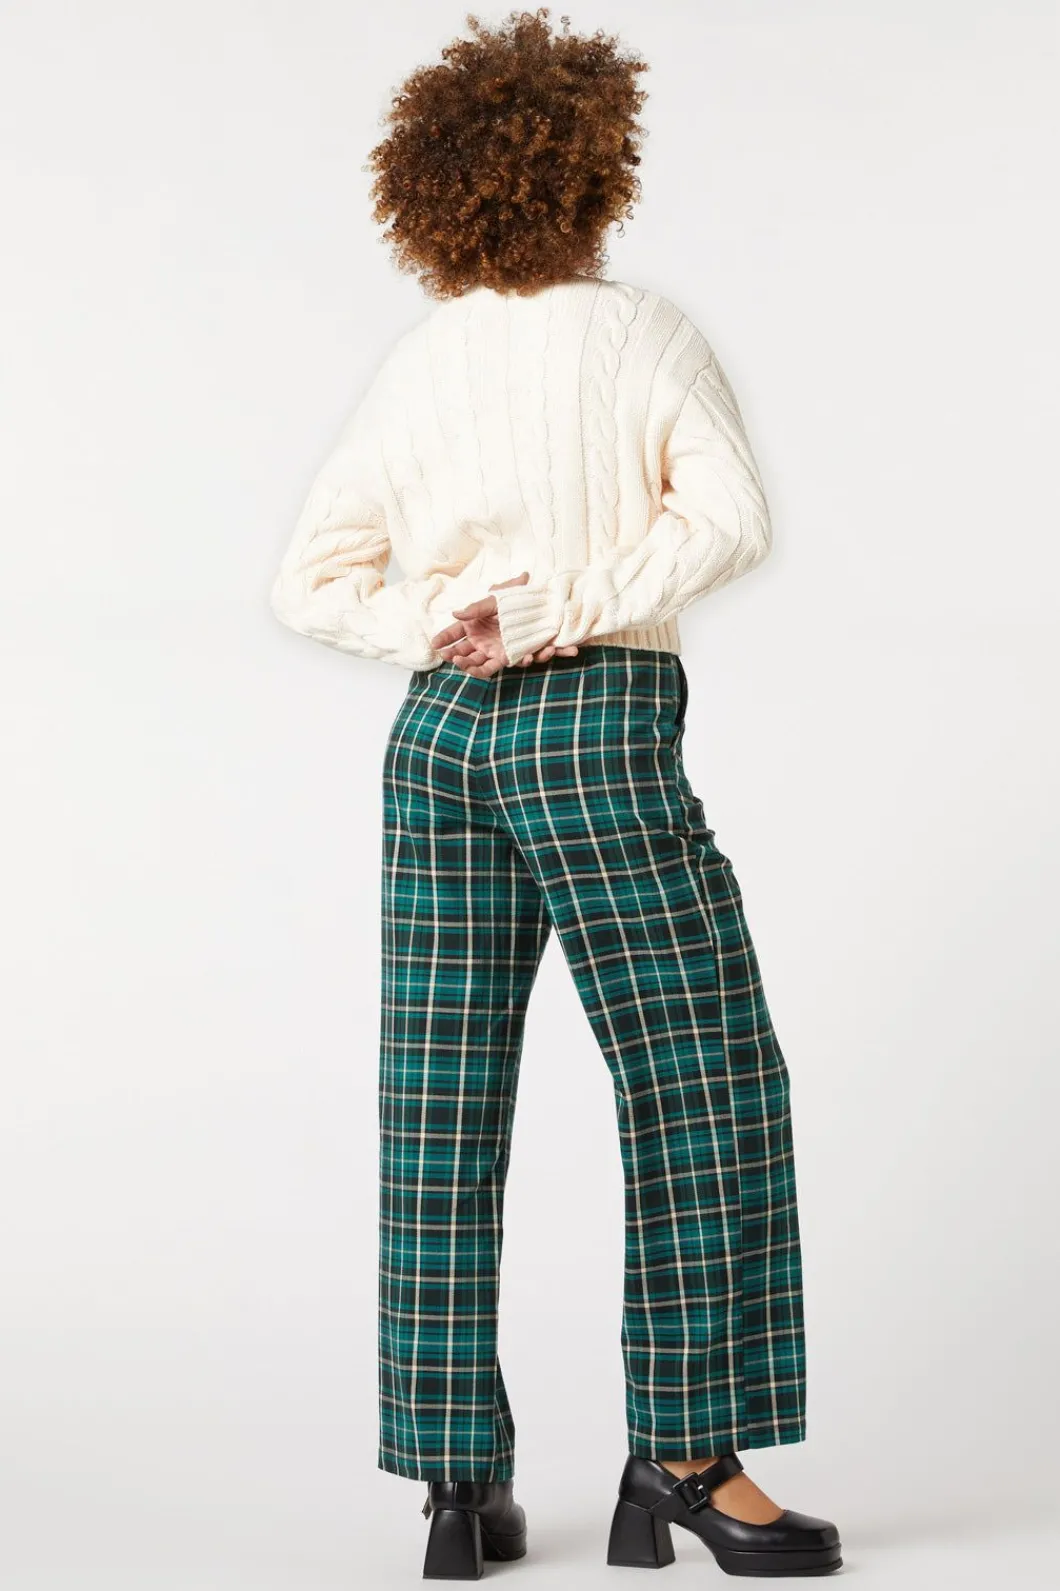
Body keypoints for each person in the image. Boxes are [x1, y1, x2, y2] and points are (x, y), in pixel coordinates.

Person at [269, 8, 841, 1580]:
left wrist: (446, 622)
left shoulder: (419, 363)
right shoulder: (641, 335)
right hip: (589, 723)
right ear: (596, 170)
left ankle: (458, 1489)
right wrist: (557, 608)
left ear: (432, 192)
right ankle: (686, 1460)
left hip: (436, 736)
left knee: (440, 1104)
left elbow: (309, 579)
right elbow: (731, 519)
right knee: (701, 1077)